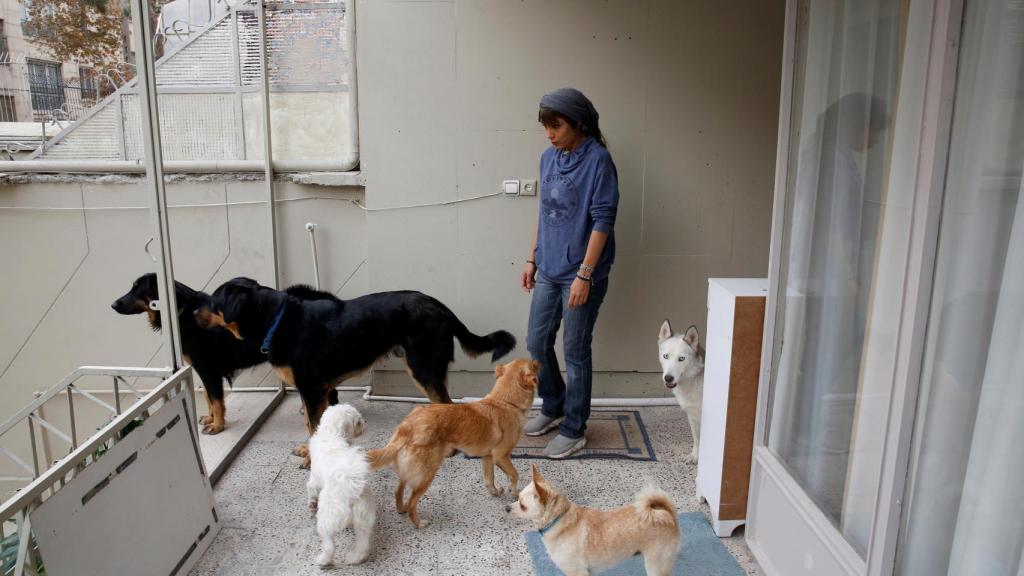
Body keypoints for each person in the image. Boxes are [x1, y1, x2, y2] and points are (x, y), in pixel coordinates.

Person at [520, 87, 619, 459]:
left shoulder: (599, 161)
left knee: (575, 351)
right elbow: (544, 213)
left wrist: (585, 274)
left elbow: (603, 220)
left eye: (556, 125)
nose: (549, 133)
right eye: (546, 126)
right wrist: (532, 257)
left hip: (582, 272)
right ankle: (554, 404)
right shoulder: (548, 158)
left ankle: (575, 427)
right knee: (536, 342)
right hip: (549, 267)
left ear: (579, 123)